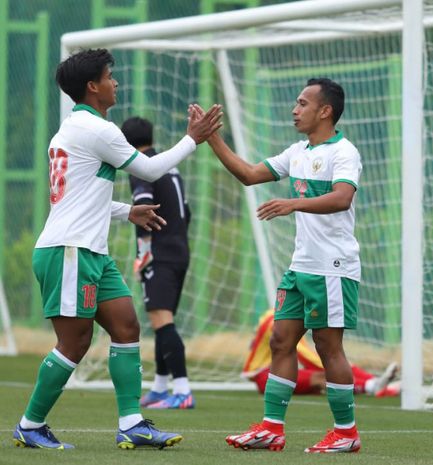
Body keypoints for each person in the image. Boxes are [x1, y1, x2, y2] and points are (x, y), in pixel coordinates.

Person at [12, 48, 221, 450]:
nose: (116, 83)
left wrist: (128, 211)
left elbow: (79, 198)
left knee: (126, 324)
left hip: (88, 250)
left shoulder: (72, 130)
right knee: (74, 343)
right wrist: (194, 139)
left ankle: (132, 424)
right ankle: (30, 424)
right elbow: (151, 169)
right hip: (70, 251)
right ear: (93, 87)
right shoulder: (97, 130)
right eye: (110, 76)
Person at [198, 77, 363, 453]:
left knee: (327, 346)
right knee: (280, 340)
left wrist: (292, 204)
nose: (295, 109)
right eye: (296, 102)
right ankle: (272, 428)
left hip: (332, 267)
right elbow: (249, 175)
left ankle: (346, 433)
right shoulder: (298, 151)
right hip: (301, 266)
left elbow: (341, 198)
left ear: (326, 111)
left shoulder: (344, 152)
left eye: (303, 103)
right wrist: (211, 138)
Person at [121, 117, 194, 410]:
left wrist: (144, 254)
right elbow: (186, 212)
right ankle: (161, 387)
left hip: (160, 253)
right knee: (162, 320)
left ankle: (183, 390)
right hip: (179, 249)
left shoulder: (142, 169)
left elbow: (145, 211)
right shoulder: (169, 165)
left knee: (162, 321)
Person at [243, 310, 399, 397]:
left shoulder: (281, 317)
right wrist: (334, 363)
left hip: (270, 372)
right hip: (265, 375)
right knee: (324, 375)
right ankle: (370, 386)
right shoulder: (279, 322)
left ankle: (381, 387)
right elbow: (307, 357)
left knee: (326, 373)